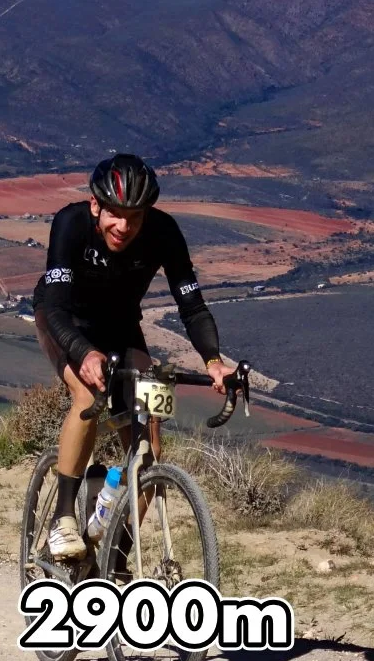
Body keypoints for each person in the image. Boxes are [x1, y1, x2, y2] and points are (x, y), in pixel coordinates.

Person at [31, 153, 230, 560]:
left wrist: (213, 359)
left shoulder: (164, 233)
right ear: (95, 206)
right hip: (65, 322)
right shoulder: (70, 224)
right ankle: (63, 518)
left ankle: (117, 558)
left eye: (135, 217)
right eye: (115, 215)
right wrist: (84, 353)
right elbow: (54, 308)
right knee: (87, 397)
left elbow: (191, 305)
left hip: (121, 328)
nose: (124, 226)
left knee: (148, 454)